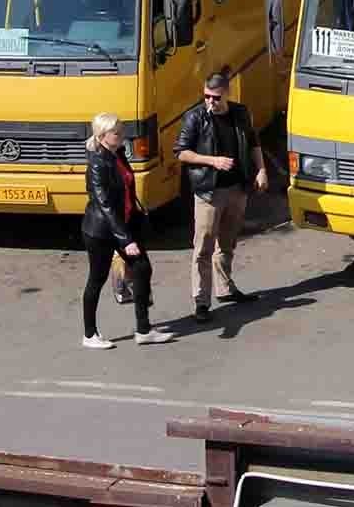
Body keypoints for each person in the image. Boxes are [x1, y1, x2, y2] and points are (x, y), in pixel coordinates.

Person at [176, 71, 268, 321]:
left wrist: (261, 170)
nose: (210, 102)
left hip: (237, 189)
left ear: (226, 94)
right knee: (203, 246)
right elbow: (182, 152)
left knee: (227, 243)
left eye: (215, 97)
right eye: (206, 96)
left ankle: (225, 288)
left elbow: (253, 143)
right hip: (209, 191)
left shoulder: (240, 113)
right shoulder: (195, 117)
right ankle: (201, 301)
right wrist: (212, 161)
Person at [80, 113, 171, 349]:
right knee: (96, 279)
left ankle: (143, 330)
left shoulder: (117, 154)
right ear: (102, 137)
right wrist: (126, 239)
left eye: (121, 131)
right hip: (101, 231)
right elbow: (106, 206)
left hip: (124, 223)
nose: (122, 136)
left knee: (141, 269)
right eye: (116, 133)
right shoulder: (98, 163)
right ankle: (90, 334)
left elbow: (127, 190)